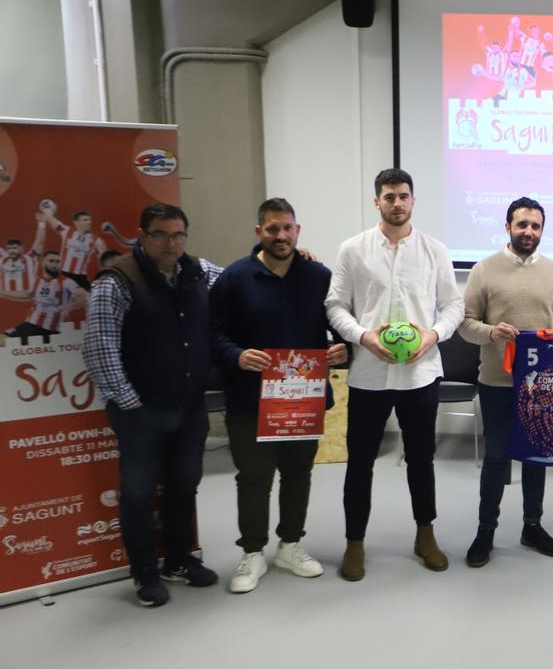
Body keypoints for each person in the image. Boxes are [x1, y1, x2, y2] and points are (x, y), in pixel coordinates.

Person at [325, 169, 464, 580]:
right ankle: (354, 542)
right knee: (360, 463)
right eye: (389, 197)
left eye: (403, 196)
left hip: (420, 374)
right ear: (377, 202)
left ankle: (425, 535)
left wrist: (433, 335)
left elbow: (453, 306)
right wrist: (362, 336)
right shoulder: (352, 250)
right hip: (368, 375)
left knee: (422, 459)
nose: (397, 203)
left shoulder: (435, 250)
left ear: (413, 201)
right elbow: (335, 305)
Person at [82, 202, 222, 607]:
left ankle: (178, 560)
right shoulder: (117, 281)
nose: (171, 243)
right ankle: (144, 573)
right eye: (161, 234)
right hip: (138, 410)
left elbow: (241, 280)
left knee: (183, 485)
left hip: (189, 407)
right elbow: (99, 350)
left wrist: (289, 256)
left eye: (178, 235)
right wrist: (132, 403)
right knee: (138, 494)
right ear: (142, 235)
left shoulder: (199, 271)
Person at [209, 198, 349, 593]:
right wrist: (236, 355)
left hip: (303, 399)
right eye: (272, 229)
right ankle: (253, 552)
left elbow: (342, 323)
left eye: (287, 228)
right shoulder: (234, 278)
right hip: (250, 401)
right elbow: (211, 333)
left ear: (297, 230)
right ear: (259, 232)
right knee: (254, 478)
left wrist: (344, 350)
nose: (281, 236)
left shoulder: (319, 276)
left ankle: (290, 545)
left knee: (298, 473)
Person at [459, 196, 553, 567]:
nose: (529, 231)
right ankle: (486, 531)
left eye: (535, 226)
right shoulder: (483, 270)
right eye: (522, 224)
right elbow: (465, 324)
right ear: (507, 226)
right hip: (497, 382)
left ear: (542, 230)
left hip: (540, 384)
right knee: (496, 457)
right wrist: (492, 332)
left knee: (536, 456)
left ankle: (532, 526)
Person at [44, 209, 107, 290]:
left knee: (89, 295)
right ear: (76, 222)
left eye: (89, 220)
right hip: (64, 273)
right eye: (85, 220)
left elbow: (104, 260)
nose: (89, 222)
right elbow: (53, 222)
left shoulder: (96, 240)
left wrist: (104, 276)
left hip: (80, 277)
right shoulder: (67, 231)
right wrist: (46, 211)